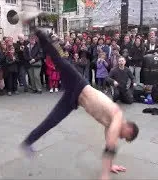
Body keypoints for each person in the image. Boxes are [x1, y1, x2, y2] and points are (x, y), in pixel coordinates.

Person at [20, 29, 139, 180]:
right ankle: (39, 31)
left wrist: (110, 166)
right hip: (79, 84)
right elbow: (111, 145)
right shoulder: (117, 117)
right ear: (128, 129)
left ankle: (28, 141)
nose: (122, 138)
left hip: (74, 98)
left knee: (52, 120)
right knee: (59, 59)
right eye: (125, 137)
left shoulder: (112, 124)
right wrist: (104, 175)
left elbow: (109, 142)